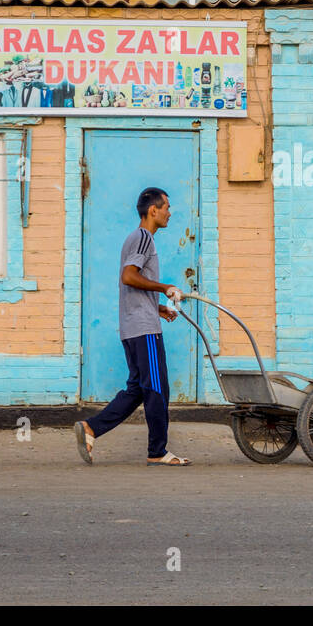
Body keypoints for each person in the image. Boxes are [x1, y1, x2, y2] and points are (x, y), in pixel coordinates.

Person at [73, 187, 192, 466]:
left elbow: (133, 281)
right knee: (157, 389)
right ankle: (157, 451)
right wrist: (165, 288)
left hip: (134, 325)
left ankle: (91, 428)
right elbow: (129, 276)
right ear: (153, 210)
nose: (169, 213)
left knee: (138, 389)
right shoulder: (143, 237)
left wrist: (157, 306)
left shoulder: (136, 239)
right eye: (166, 207)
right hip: (144, 330)